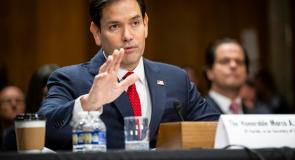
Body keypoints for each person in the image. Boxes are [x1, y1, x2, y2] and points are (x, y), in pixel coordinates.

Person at [38, 0, 219, 150]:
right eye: (114, 26)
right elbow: (41, 132)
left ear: (146, 24)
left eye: (135, 23)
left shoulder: (175, 79)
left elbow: (217, 129)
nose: (128, 36)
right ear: (96, 32)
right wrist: (89, 103)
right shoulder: (71, 79)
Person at [204, 38, 254, 114]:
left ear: (247, 72)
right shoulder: (196, 114)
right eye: (224, 61)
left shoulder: (262, 115)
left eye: (239, 62)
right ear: (209, 72)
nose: (233, 65)